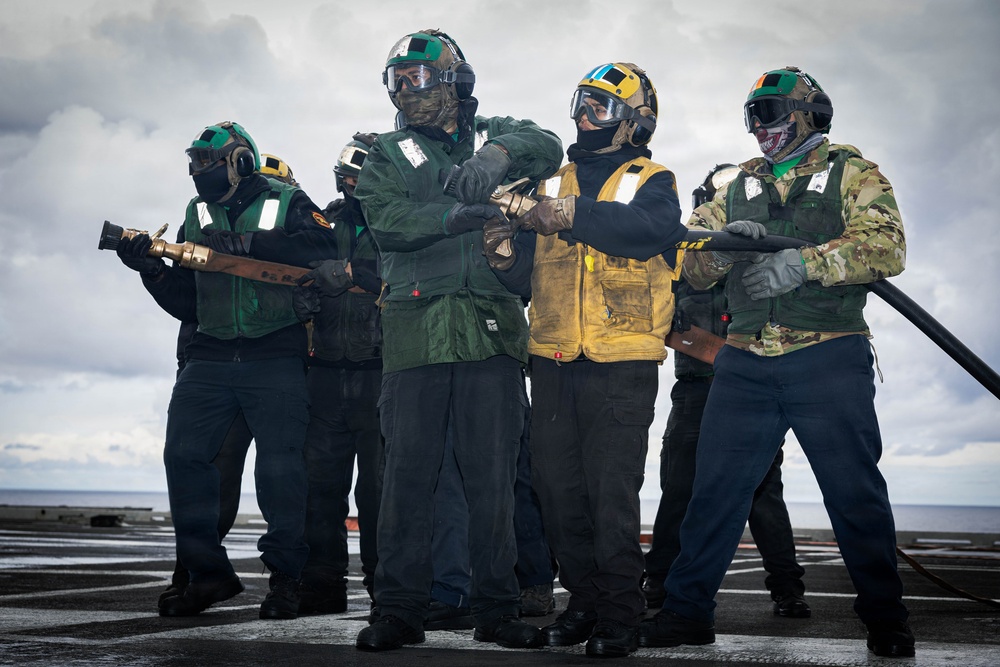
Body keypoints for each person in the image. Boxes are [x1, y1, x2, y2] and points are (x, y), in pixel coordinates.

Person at [637, 66, 915, 659]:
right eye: (751, 117)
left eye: (768, 114)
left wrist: (802, 263)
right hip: (744, 362)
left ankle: (887, 620)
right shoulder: (735, 187)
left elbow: (887, 246)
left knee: (855, 495)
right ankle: (687, 612)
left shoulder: (852, 172)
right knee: (713, 494)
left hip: (827, 356)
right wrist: (720, 250)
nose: (758, 128)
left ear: (806, 114)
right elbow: (688, 265)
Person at [351, 29, 562, 652]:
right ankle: (398, 610)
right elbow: (388, 221)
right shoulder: (385, 153)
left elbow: (548, 145)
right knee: (406, 481)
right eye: (397, 81)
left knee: (493, 481)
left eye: (418, 78)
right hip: (414, 338)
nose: (407, 91)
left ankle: (496, 609)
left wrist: (496, 157)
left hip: (492, 337)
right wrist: (455, 216)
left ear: (453, 81)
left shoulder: (496, 132)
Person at [489, 62, 687, 658]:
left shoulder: (651, 179)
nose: (583, 115)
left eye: (599, 106)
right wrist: (503, 254)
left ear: (633, 120)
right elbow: (526, 278)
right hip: (553, 355)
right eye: (580, 103)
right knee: (557, 491)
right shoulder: (551, 182)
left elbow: (652, 230)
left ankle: (621, 615)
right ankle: (584, 603)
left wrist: (573, 213)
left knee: (610, 495)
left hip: (622, 358)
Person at [114, 121, 338, 619]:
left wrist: (253, 245)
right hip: (209, 356)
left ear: (240, 161)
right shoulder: (195, 213)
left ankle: (286, 581)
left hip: (275, 355)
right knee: (183, 457)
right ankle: (207, 574)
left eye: (207, 162)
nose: (198, 171)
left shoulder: (286, 199)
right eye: (193, 162)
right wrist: (152, 272)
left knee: (281, 472)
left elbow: (326, 249)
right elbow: (188, 303)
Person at [642, 164, 809, 619]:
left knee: (764, 491)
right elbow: (662, 319)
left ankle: (787, 587)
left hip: (749, 388)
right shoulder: (683, 256)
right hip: (697, 389)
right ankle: (659, 579)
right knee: (680, 487)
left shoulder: (762, 249)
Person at [291, 133, 384, 616]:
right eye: (345, 177)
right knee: (319, 488)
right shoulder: (323, 222)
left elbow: (398, 274)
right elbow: (299, 272)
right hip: (325, 373)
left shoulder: (398, 224)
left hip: (380, 374)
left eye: (357, 178)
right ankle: (322, 584)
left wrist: (349, 272)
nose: (349, 185)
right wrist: (303, 297)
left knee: (380, 493)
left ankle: (385, 587)